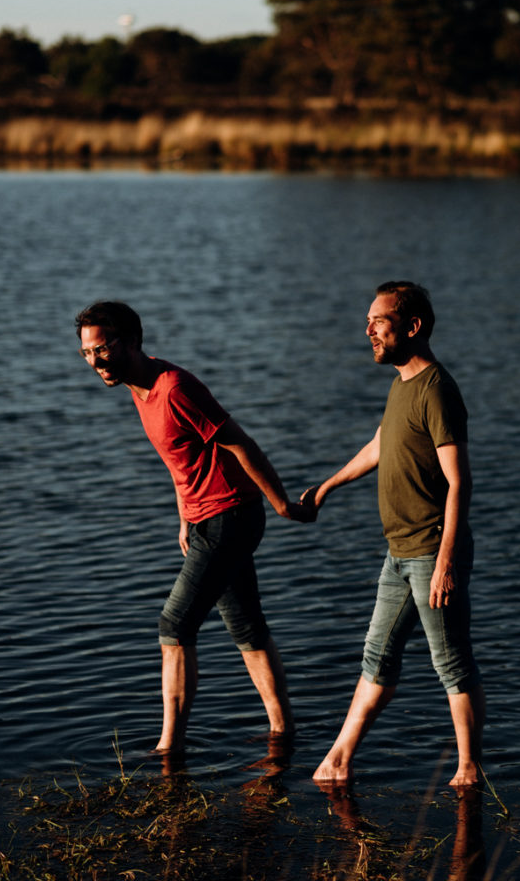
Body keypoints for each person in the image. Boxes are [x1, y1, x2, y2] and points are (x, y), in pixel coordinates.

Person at [75, 300, 313, 756]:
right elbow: (179, 459)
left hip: (231, 516)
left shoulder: (176, 386)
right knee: (245, 626)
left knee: (175, 624)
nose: (94, 362)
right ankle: (283, 733)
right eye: (86, 353)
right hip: (205, 519)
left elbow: (240, 443)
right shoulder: (136, 386)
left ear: (131, 342)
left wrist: (281, 503)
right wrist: (184, 514)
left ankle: (170, 748)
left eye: (101, 350)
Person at [305, 281, 485, 788]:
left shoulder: (436, 389)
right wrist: (327, 488)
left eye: (378, 322)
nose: (368, 331)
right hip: (399, 552)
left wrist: (447, 561)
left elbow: (459, 481)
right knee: (377, 656)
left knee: (451, 663)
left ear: (413, 326)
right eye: (368, 321)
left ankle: (469, 770)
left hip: (432, 550)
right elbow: (384, 442)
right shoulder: (403, 384)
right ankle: (339, 759)